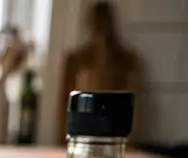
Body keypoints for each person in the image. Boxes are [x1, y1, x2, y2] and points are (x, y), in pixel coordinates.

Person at [59, 1, 142, 140]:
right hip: (82, 136)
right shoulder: (76, 61)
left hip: (112, 137)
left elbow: (134, 110)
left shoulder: (126, 62)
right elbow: (64, 107)